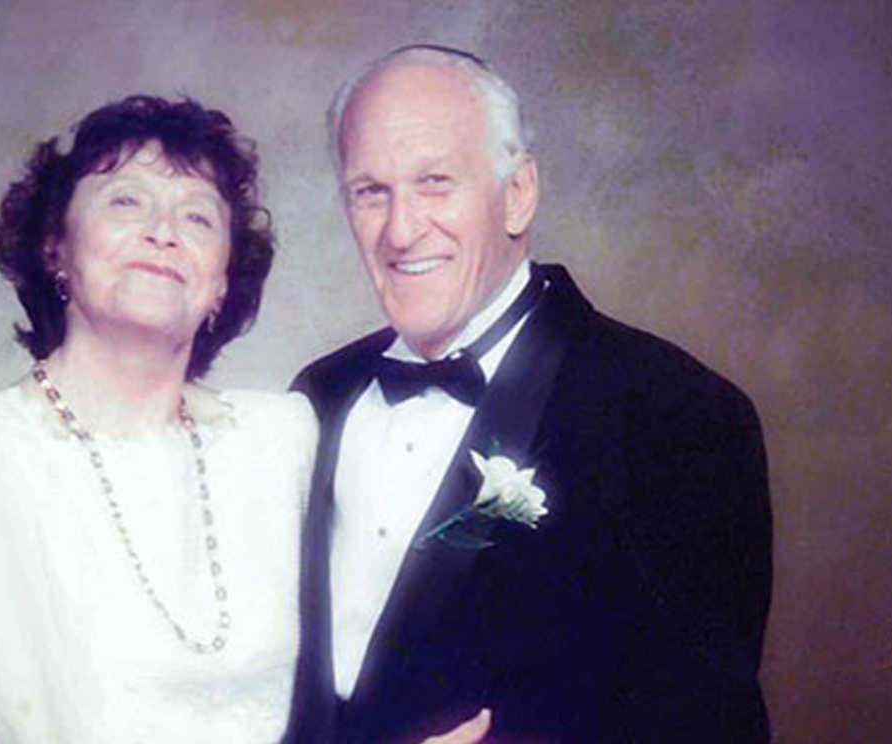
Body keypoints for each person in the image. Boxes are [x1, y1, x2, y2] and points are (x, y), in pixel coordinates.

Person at [285, 45, 772, 744]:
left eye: (435, 183)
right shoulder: (317, 397)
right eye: (371, 192)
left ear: (518, 193)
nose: (401, 229)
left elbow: (706, 727)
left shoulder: (678, 416)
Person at [0, 95, 317, 743]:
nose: (163, 231)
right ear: (55, 248)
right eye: (126, 201)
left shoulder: (283, 440)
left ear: (222, 284)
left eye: (199, 216)